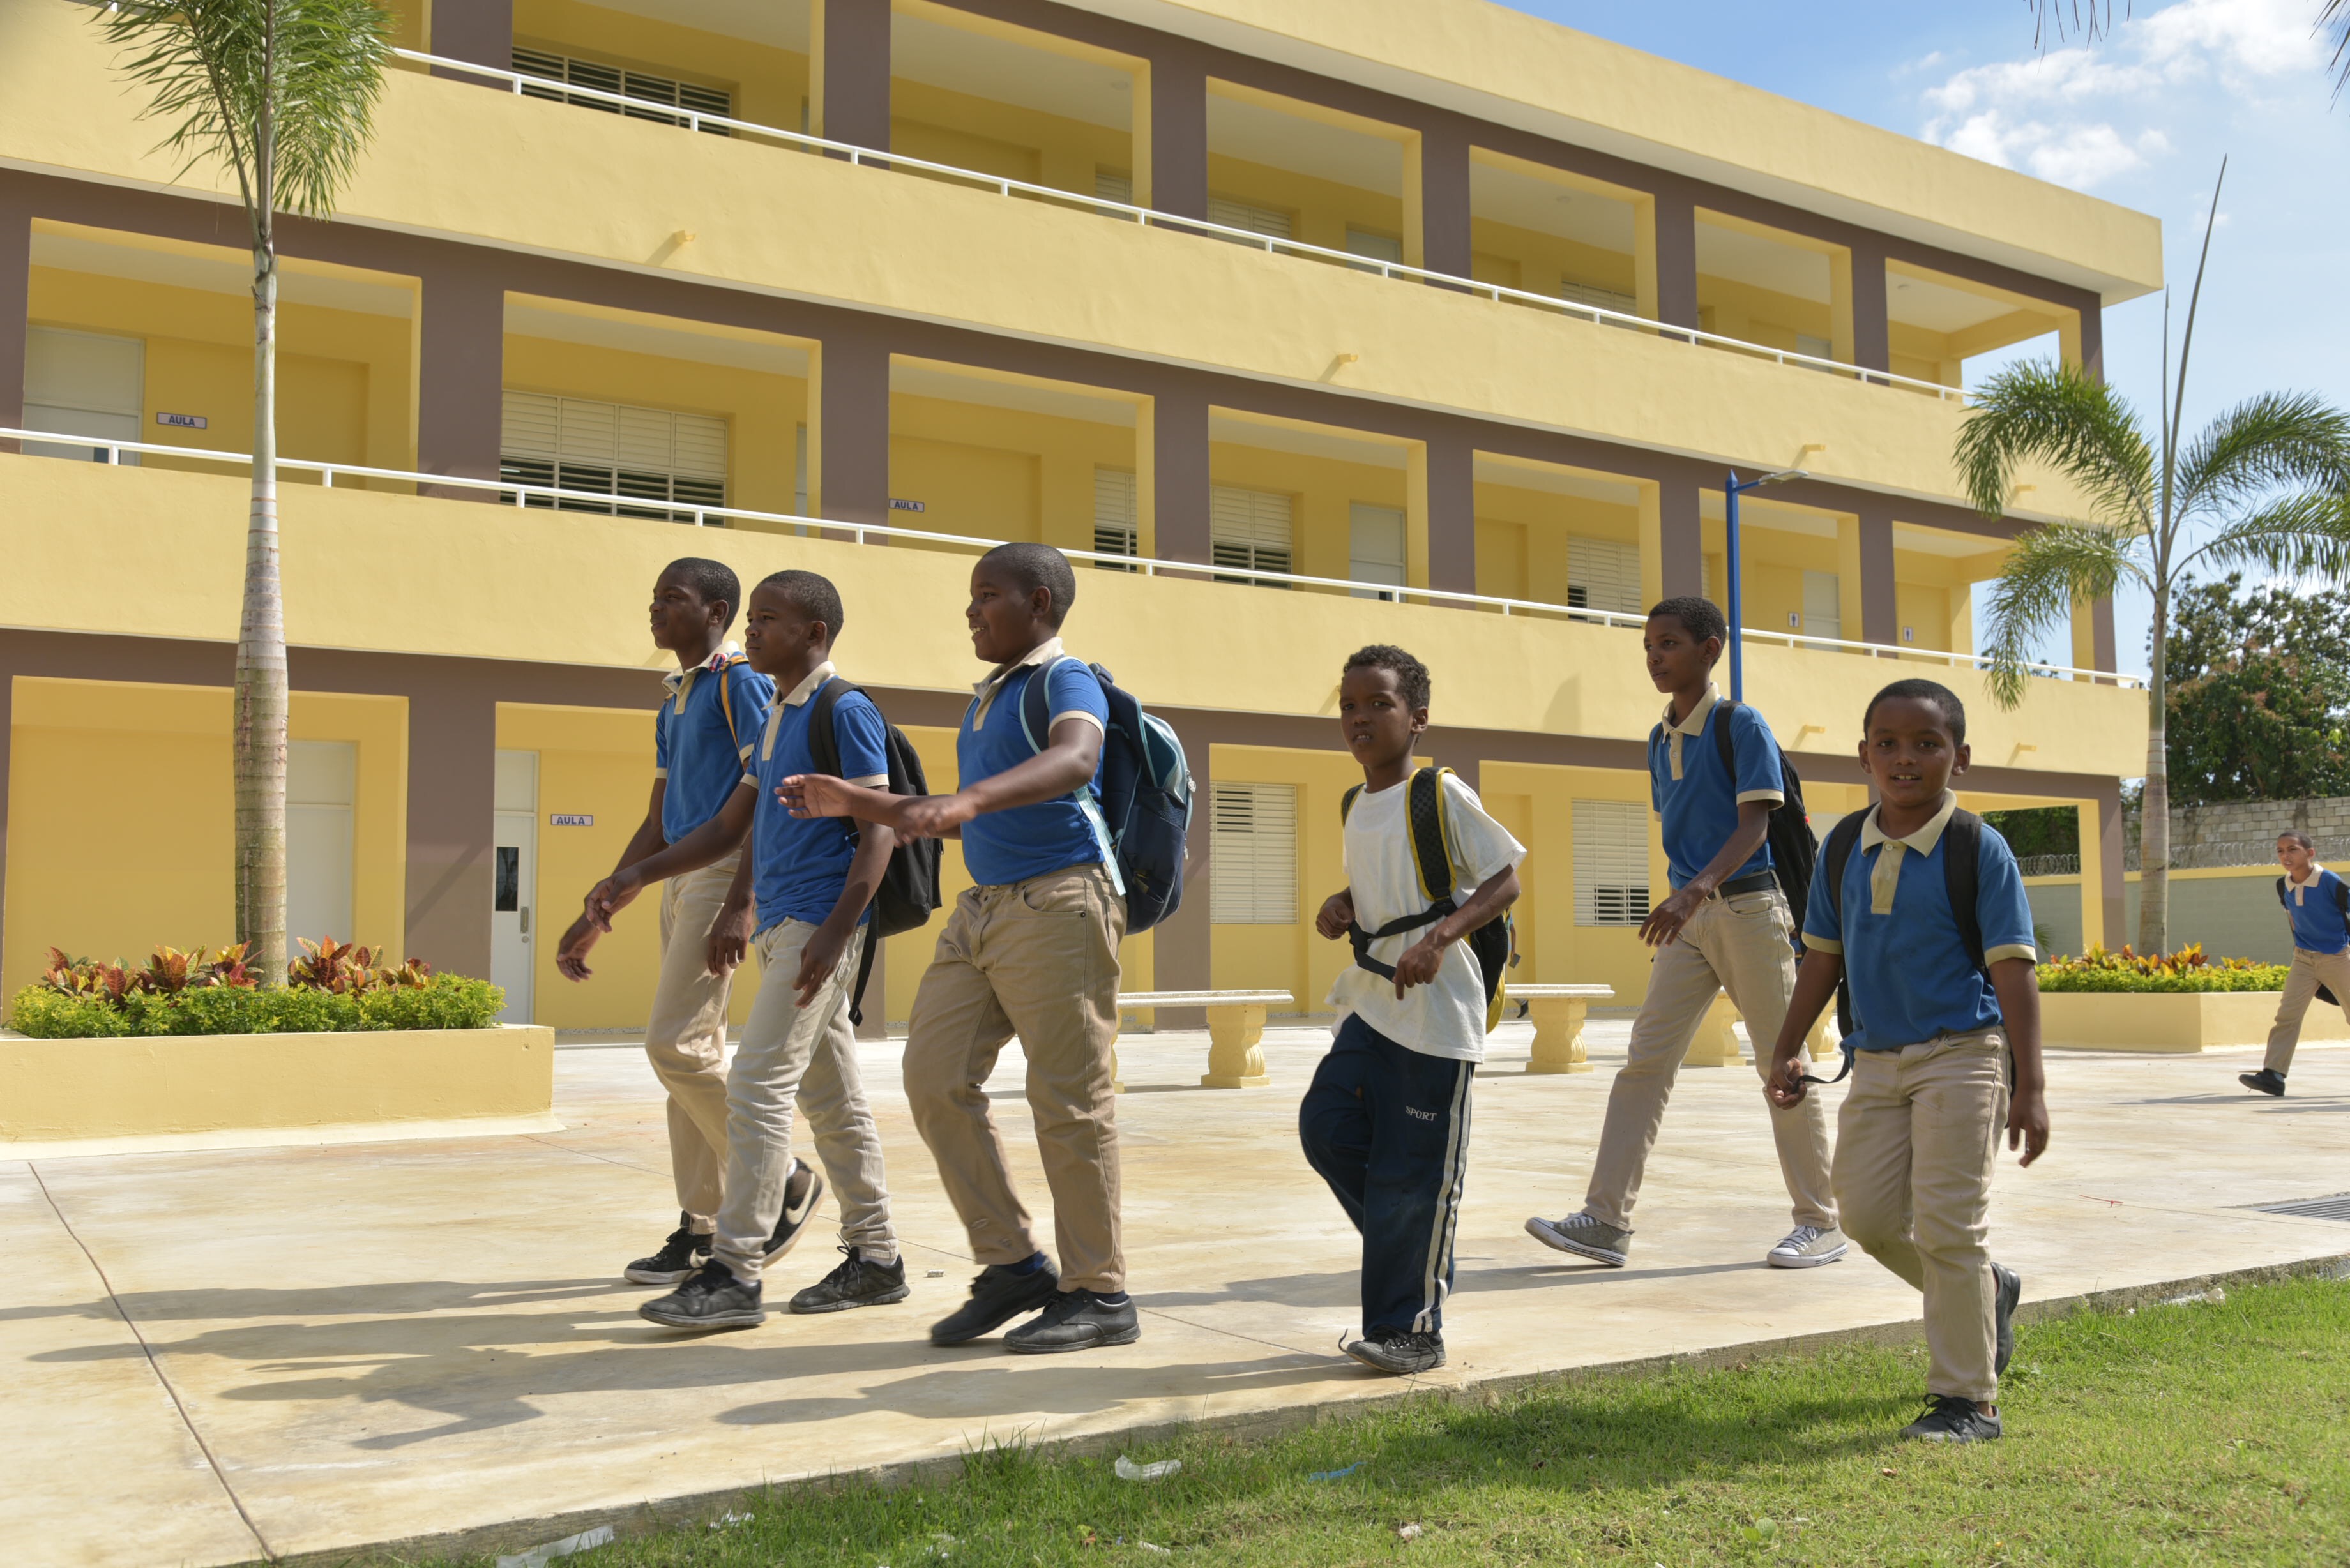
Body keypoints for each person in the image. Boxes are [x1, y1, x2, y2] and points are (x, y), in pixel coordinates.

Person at [782, 542, 1132, 1354]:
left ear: (1038, 602)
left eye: (987, 595)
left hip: (1061, 897)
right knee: (933, 1074)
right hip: (982, 909)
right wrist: (853, 798)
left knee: (1068, 1099)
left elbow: (1077, 756)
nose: (970, 611)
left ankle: (1100, 1291)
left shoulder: (1063, 678)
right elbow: (939, 812)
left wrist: (963, 800)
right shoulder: (987, 699)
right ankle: (1011, 1264)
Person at [575, 569, 906, 1328]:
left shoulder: (842, 706)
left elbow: (880, 827)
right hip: (780, 923)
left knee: (756, 1084)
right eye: (751, 619)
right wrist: (638, 880)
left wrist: (833, 929)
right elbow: (736, 828)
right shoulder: (775, 716)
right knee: (832, 1095)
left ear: (814, 633)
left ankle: (734, 1269)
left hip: (819, 923)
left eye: (769, 620)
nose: (752, 632)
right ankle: (878, 1255)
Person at [1766, 677, 2047, 1445]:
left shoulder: (1976, 847)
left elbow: (2012, 970)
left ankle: (1967, 1400)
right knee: (1862, 1213)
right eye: (1886, 743)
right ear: (1862, 755)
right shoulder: (1841, 846)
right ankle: (1988, 1295)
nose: (1904, 758)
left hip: (1963, 1053)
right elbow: (1819, 958)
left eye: (1926, 743)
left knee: (1949, 1226)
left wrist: (2032, 1085)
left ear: (1959, 757)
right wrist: (1785, 1047)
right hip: (1876, 1059)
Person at [1524, 596, 1843, 1270]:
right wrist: (1685, 897)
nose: (1654, 657)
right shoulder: (1656, 738)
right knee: (1644, 1062)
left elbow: (1753, 824)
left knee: (1779, 1063)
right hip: (1689, 917)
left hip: (1749, 910)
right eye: (1648, 646)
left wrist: (1693, 888)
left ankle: (1820, 1222)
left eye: (1668, 643)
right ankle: (1605, 1219)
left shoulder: (1739, 725)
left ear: (1710, 649)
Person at [1304, 645, 1523, 1375]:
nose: (1358, 717)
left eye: (1377, 703)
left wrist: (1439, 937)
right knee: (1325, 1127)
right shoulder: (1352, 802)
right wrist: (1343, 904)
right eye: (1348, 705)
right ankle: (1414, 1240)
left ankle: (1413, 1330)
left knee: (1412, 1174)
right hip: (1370, 1000)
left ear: (1417, 718)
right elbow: (1381, 885)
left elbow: (1504, 880)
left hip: (1435, 1010)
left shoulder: (1439, 793)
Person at [556, 558, 773, 1286]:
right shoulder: (675, 695)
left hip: (721, 871)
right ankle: (702, 1223)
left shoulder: (741, 682)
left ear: (715, 611)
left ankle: (779, 1175)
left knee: (672, 1043)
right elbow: (658, 818)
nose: (656, 610)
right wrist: (603, 903)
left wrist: (741, 901)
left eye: (671, 599)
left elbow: (765, 797)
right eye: (653, 598)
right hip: (680, 876)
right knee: (692, 1057)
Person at [2240, 828, 2350, 1097]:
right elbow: (2294, 920)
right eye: (2280, 850)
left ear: (2310, 853)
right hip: (2303, 959)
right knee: (2287, 1016)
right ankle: (2274, 1075)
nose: (2285, 856)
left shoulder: (2331, 883)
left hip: (2338, 957)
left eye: (2292, 849)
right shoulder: (2283, 885)